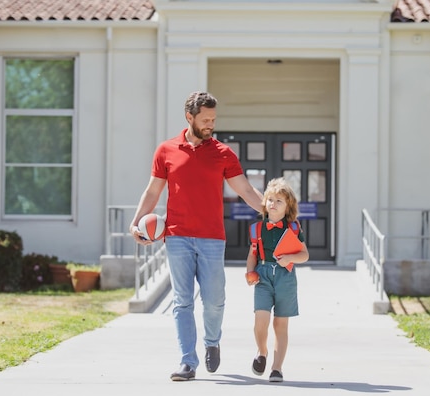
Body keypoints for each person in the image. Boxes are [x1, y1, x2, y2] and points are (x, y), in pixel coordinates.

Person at [129, 91, 264, 382]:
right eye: (205, 120)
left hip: (212, 238)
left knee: (214, 300)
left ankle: (212, 342)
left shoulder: (223, 154)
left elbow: (246, 190)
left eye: (213, 120)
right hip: (176, 237)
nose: (210, 125)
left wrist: (271, 211)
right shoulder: (166, 150)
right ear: (189, 117)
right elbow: (153, 191)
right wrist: (137, 221)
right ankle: (187, 361)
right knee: (183, 300)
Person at [245, 177, 309, 383]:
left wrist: (290, 258)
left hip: (286, 278)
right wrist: (249, 272)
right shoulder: (256, 229)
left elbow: (304, 255)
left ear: (288, 206)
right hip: (263, 275)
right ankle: (262, 351)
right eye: (270, 199)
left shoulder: (293, 228)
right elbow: (252, 254)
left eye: (279, 201)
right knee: (260, 321)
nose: (273, 204)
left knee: (280, 324)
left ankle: (276, 368)